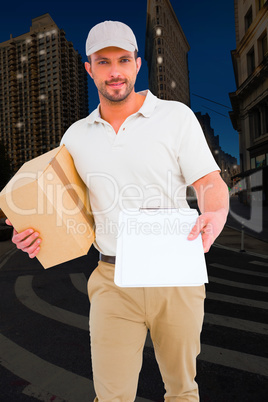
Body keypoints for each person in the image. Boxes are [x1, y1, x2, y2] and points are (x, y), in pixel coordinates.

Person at [7, 21, 229, 401]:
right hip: (111, 279)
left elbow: (209, 182)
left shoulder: (175, 117)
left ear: (137, 64)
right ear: (89, 67)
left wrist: (215, 213)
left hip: (174, 272)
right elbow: (65, 209)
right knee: (110, 397)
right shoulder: (75, 136)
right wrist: (34, 234)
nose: (114, 71)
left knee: (181, 390)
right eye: (103, 61)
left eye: (123, 60)